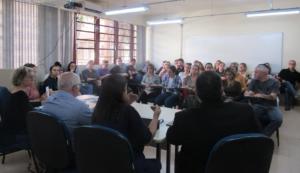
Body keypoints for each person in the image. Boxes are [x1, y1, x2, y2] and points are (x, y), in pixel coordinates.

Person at [167, 71, 261, 173]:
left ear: (197, 92)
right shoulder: (245, 111)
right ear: (222, 90)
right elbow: (258, 137)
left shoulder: (184, 117)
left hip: (197, 167)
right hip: (234, 166)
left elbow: (172, 139)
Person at [92, 74, 161, 173]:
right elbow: (147, 138)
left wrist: (126, 102)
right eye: (125, 89)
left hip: (105, 163)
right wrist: (155, 116)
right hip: (130, 164)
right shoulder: (128, 111)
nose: (127, 91)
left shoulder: (97, 111)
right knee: (156, 164)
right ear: (120, 93)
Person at [41, 72, 92, 144]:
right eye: (79, 85)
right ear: (75, 87)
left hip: (51, 144)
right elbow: (93, 124)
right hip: (73, 147)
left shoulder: (47, 101)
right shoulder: (80, 107)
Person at [244, 64, 283, 136]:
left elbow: (273, 97)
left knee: (278, 120)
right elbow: (247, 93)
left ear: (264, 73)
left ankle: (263, 136)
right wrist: (249, 93)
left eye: (256, 72)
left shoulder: (274, 82)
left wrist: (261, 95)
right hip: (257, 105)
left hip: (271, 106)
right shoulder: (254, 81)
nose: (254, 73)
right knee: (247, 117)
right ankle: (254, 134)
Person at [5, 66, 34, 133]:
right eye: (30, 77)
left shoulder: (14, 91)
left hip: (12, 130)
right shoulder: (21, 94)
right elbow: (29, 115)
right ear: (21, 78)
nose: (32, 79)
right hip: (17, 133)